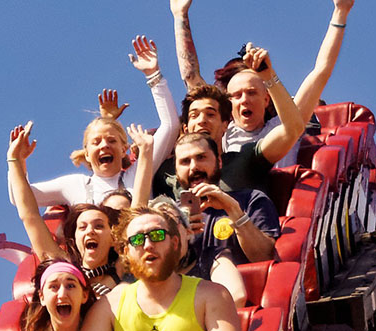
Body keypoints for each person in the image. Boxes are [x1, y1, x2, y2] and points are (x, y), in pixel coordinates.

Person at [64, 206, 241, 331]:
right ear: (126, 252)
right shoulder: (110, 305)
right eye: (138, 239)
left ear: (174, 242)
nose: (148, 245)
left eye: (157, 235)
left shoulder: (211, 294)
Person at [170, 0, 356, 164]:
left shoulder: (284, 124)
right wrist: (180, 15)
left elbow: (321, 72)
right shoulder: (223, 130)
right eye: (237, 95)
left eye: (251, 93)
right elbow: (191, 77)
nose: (244, 100)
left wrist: (340, 12)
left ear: (266, 99)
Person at [10, 36, 179, 207]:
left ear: (123, 150)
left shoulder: (139, 172)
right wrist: (17, 160)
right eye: (96, 142)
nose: (104, 145)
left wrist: (153, 75)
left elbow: (170, 126)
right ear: (87, 153)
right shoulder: (75, 185)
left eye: (112, 140)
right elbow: (20, 198)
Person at [7, 122, 155, 296]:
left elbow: (137, 209)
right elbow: (30, 215)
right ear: (74, 236)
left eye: (99, 226)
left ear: (114, 236)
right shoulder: (63, 265)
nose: (90, 231)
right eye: (82, 227)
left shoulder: (126, 261)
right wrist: (15, 160)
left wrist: (146, 151)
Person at [152, 48, 304, 198]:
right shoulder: (166, 175)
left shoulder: (245, 160)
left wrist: (268, 77)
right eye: (194, 115)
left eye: (210, 114)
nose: (202, 120)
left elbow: (293, 128)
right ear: (185, 128)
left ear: (226, 124)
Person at [173, 133, 281, 306]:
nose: (194, 167)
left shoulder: (250, 199)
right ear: (176, 172)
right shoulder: (167, 217)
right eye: (185, 161)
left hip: (246, 309)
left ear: (219, 162)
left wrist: (233, 210)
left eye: (201, 157)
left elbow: (264, 257)